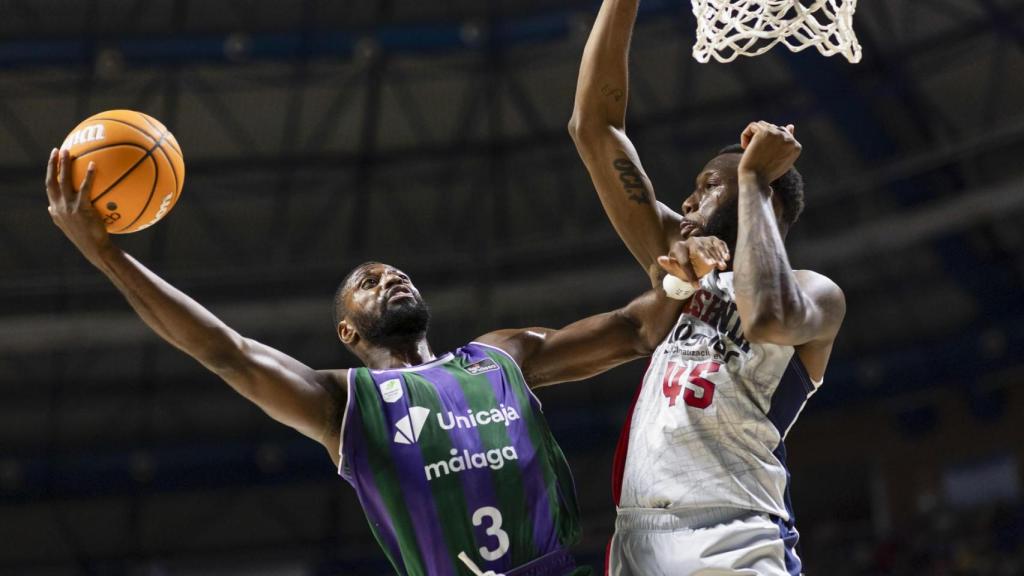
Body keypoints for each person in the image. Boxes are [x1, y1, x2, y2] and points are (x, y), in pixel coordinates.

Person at [45, 147, 689, 576]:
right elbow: (224, 351)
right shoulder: (344, 403)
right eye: (369, 280)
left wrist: (689, 273)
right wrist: (106, 254)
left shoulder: (499, 356)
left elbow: (635, 330)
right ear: (347, 331)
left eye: (395, 272)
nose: (390, 277)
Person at [568, 1, 847, 574]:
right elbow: (595, 128)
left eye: (708, 186)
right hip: (637, 537)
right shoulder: (681, 262)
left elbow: (765, 315)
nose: (689, 200)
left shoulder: (815, 293)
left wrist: (752, 174)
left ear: (763, 196)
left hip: (734, 534)